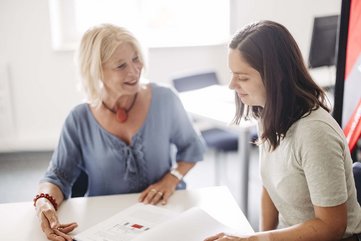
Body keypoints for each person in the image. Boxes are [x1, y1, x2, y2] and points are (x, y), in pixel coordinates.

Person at [33, 23, 206, 241]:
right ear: (97, 70)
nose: (134, 71)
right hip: (109, 224)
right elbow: (57, 177)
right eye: (120, 66)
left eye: (136, 59)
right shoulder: (79, 119)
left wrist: (171, 179)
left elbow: (192, 147)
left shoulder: (165, 99)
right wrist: (43, 202)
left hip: (167, 211)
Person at [205, 20, 361, 241]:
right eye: (233, 74)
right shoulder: (267, 114)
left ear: (275, 77)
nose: (232, 85)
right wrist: (258, 236)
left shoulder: (314, 133)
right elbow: (270, 187)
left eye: (242, 77)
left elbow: (332, 226)